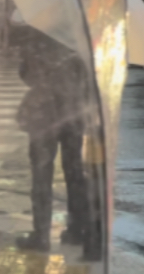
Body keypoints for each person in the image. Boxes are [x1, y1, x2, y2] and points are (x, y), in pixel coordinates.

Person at [15, 29, 92, 252]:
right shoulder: (79, 37)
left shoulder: (36, 36)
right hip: (73, 114)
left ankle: (41, 235)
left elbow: (25, 74)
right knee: (74, 173)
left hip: (44, 115)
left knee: (41, 175)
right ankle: (77, 230)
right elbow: (88, 79)